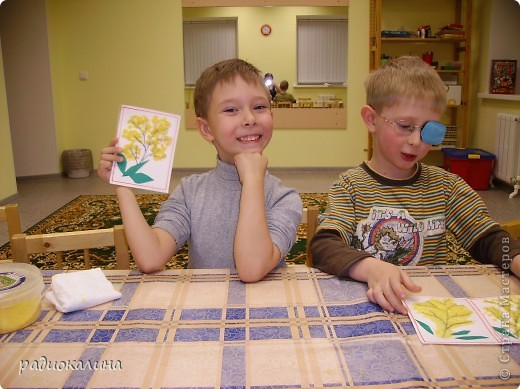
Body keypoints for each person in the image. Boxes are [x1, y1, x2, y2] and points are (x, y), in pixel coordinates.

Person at [310, 56, 520, 314]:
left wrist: (517, 259)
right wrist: (372, 268)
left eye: (429, 130)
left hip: (425, 308)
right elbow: (324, 246)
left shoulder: (447, 187)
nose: (416, 141)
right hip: (366, 307)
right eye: (405, 126)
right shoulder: (350, 187)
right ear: (371, 119)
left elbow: (489, 238)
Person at [98, 58, 303, 282]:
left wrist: (253, 179)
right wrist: (123, 186)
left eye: (260, 107)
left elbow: (252, 268)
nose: (250, 119)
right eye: (231, 109)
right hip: (203, 310)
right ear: (206, 129)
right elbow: (151, 257)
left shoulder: (284, 198)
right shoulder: (190, 191)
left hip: (263, 312)